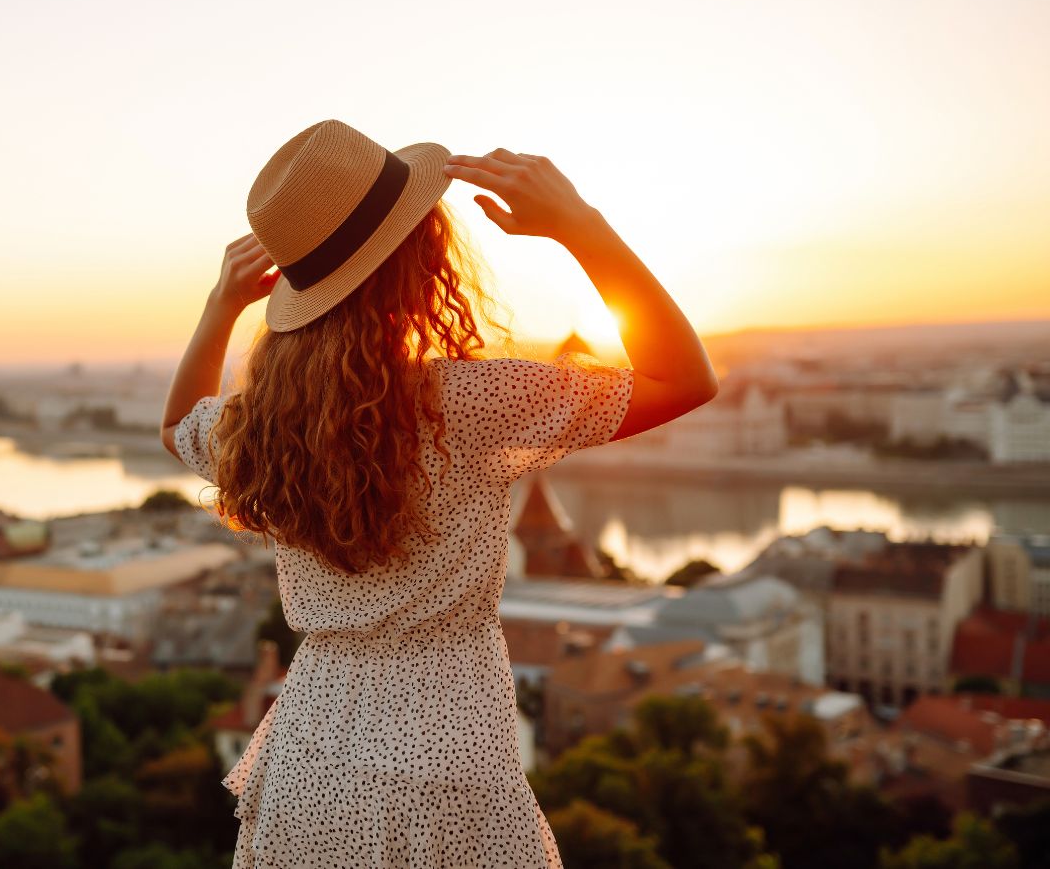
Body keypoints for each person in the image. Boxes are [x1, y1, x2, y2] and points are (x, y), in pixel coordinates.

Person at [160, 119, 718, 869]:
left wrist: (219, 307)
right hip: (442, 758)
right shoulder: (463, 402)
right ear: (420, 263)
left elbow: (175, 428)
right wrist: (580, 227)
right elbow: (685, 379)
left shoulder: (260, 424)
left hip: (306, 757)